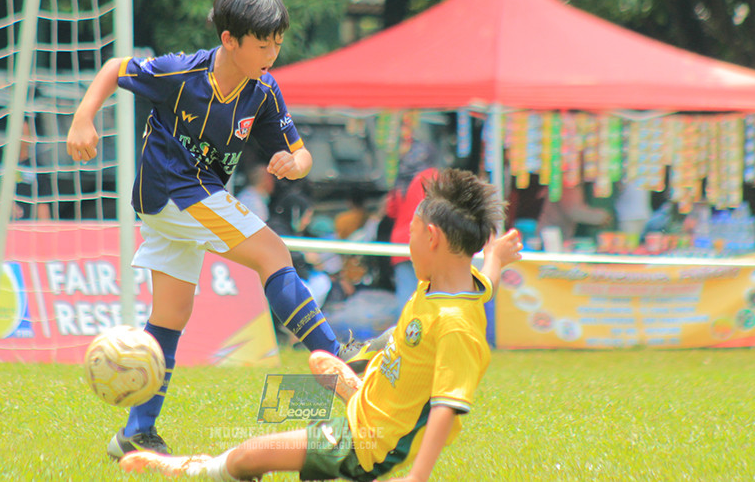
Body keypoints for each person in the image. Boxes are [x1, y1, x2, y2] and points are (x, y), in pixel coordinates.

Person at [66, 0, 347, 460]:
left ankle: (136, 433)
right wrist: (82, 118)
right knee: (273, 254)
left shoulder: (263, 90)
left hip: (185, 202)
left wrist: (294, 164)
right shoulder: (181, 73)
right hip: (172, 191)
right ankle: (343, 369)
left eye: (278, 43)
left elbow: (300, 153)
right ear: (230, 40)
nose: (272, 54)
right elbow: (115, 68)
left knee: (171, 315)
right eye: (263, 44)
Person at [121, 168, 523, 481]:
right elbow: (484, 285)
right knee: (348, 355)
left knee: (250, 454)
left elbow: (446, 407)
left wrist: (417, 476)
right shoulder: (453, 286)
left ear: (432, 238)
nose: (407, 244)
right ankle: (355, 385)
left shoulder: (456, 325)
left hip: (369, 443)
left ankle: (185, 469)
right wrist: (496, 259)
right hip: (373, 409)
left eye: (411, 234)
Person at [0, 117, 52, 220]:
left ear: (30, 138)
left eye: (21, 133)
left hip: (25, 223)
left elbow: (43, 204)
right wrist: (3, 200)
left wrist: (44, 227)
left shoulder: (38, 167)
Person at [387, 166, 439, 307]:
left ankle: (405, 321)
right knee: (431, 295)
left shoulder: (402, 178)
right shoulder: (432, 176)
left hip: (399, 243)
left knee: (406, 294)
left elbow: (391, 210)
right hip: (424, 240)